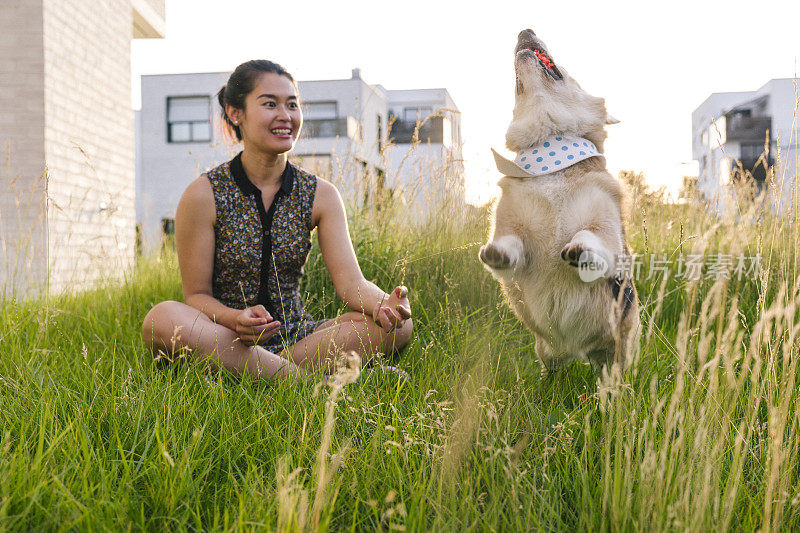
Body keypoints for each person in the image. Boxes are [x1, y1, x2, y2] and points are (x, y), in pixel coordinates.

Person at [141, 60, 413, 381]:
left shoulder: (320, 194)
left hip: (301, 340)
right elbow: (196, 296)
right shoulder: (203, 194)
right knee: (162, 318)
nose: (285, 116)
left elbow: (351, 284)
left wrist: (382, 302)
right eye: (270, 104)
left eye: (292, 105)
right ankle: (313, 383)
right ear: (235, 113)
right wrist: (234, 319)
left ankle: (271, 375)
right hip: (229, 338)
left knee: (400, 324)